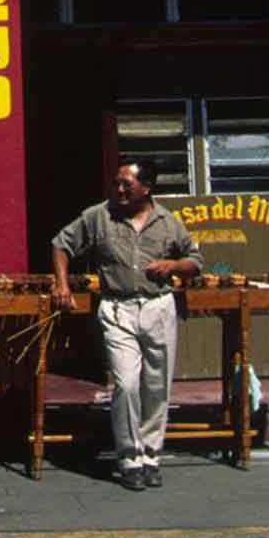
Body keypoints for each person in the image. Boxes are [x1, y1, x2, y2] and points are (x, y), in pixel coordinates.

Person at [51, 157, 202, 491]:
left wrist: (174, 264)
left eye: (126, 184)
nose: (118, 189)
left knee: (156, 386)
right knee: (127, 384)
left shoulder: (168, 222)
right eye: (116, 183)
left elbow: (195, 261)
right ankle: (129, 457)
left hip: (157, 308)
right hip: (117, 308)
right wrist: (61, 284)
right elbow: (61, 244)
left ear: (146, 189)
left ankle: (150, 456)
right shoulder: (99, 216)